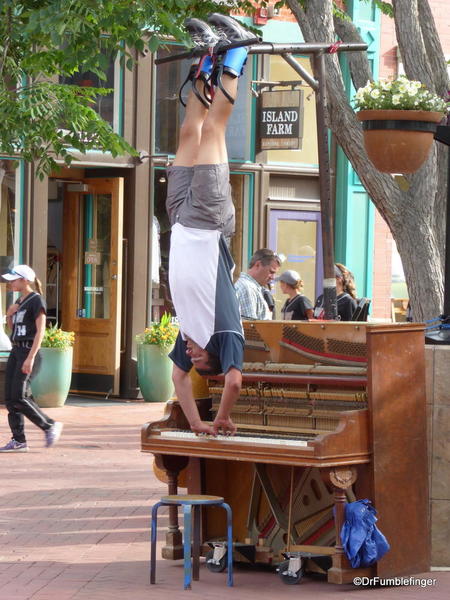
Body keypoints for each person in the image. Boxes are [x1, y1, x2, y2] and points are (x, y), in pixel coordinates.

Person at [166, 15, 259, 437]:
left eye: (192, 358)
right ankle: (236, 51)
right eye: (200, 359)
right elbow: (235, 380)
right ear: (215, 355)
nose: (190, 354)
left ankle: (208, 57)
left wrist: (195, 423)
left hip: (181, 220)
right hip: (207, 222)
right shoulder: (224, 333)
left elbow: (178, 381)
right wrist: (221, 416)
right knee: (213, 132)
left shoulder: (190, 335)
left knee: (189, 132)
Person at [0, 265, 63, 452]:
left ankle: (49, 425)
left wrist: (31, 357)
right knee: (10, 399)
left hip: (28, 351)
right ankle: (19, 440)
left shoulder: (36, 301)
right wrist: (10, 315)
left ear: (25, 280)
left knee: (19, 396)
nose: (10, 282)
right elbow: (14, 330)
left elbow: (40, 330)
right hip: (16, 351)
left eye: (14, 279)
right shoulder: (19, 301)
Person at [235, 249, 281, 320]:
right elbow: (250, 328)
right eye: (271, 272)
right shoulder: (248, 288)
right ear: (258, 265)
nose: (272, 277)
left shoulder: (247, 286)